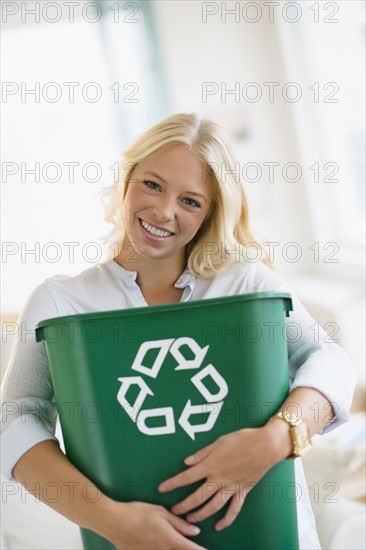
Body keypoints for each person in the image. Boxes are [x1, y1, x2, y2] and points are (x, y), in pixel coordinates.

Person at [1, 113, 356, 550]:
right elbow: (14, 419)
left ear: (210, 213)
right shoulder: (62, 302)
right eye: (152, 184)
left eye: (191, 201)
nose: (163, 211)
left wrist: (277, 438)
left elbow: (329, 359)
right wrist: (114, 522)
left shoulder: (245, 286)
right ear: (127, 178)